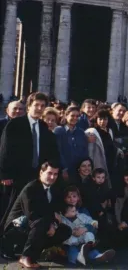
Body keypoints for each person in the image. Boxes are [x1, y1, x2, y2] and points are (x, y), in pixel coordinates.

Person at [0, 92, 60, 227]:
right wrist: (4, 174)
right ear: (28, 107)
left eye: (42, 106)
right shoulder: (15, 124)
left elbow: (50, 151)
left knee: (32, 209)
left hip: (36, 175)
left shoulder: (44, 127)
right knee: (11, 208)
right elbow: (5, 150)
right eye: (36, 105)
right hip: (17, 175)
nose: (39, 108)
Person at [1, 162, 72, 268]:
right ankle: (26, 256)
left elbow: (53, 212)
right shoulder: (31, 188)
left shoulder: (53, 189)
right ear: (41, 172)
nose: (52, 177)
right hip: (16, 228)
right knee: (41, 223)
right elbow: (32, 216)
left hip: (37, 226)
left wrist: (54, 224)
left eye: (55, 174)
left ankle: (39, 251)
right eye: (49, 173)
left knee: (66, 230)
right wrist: (51, 222)